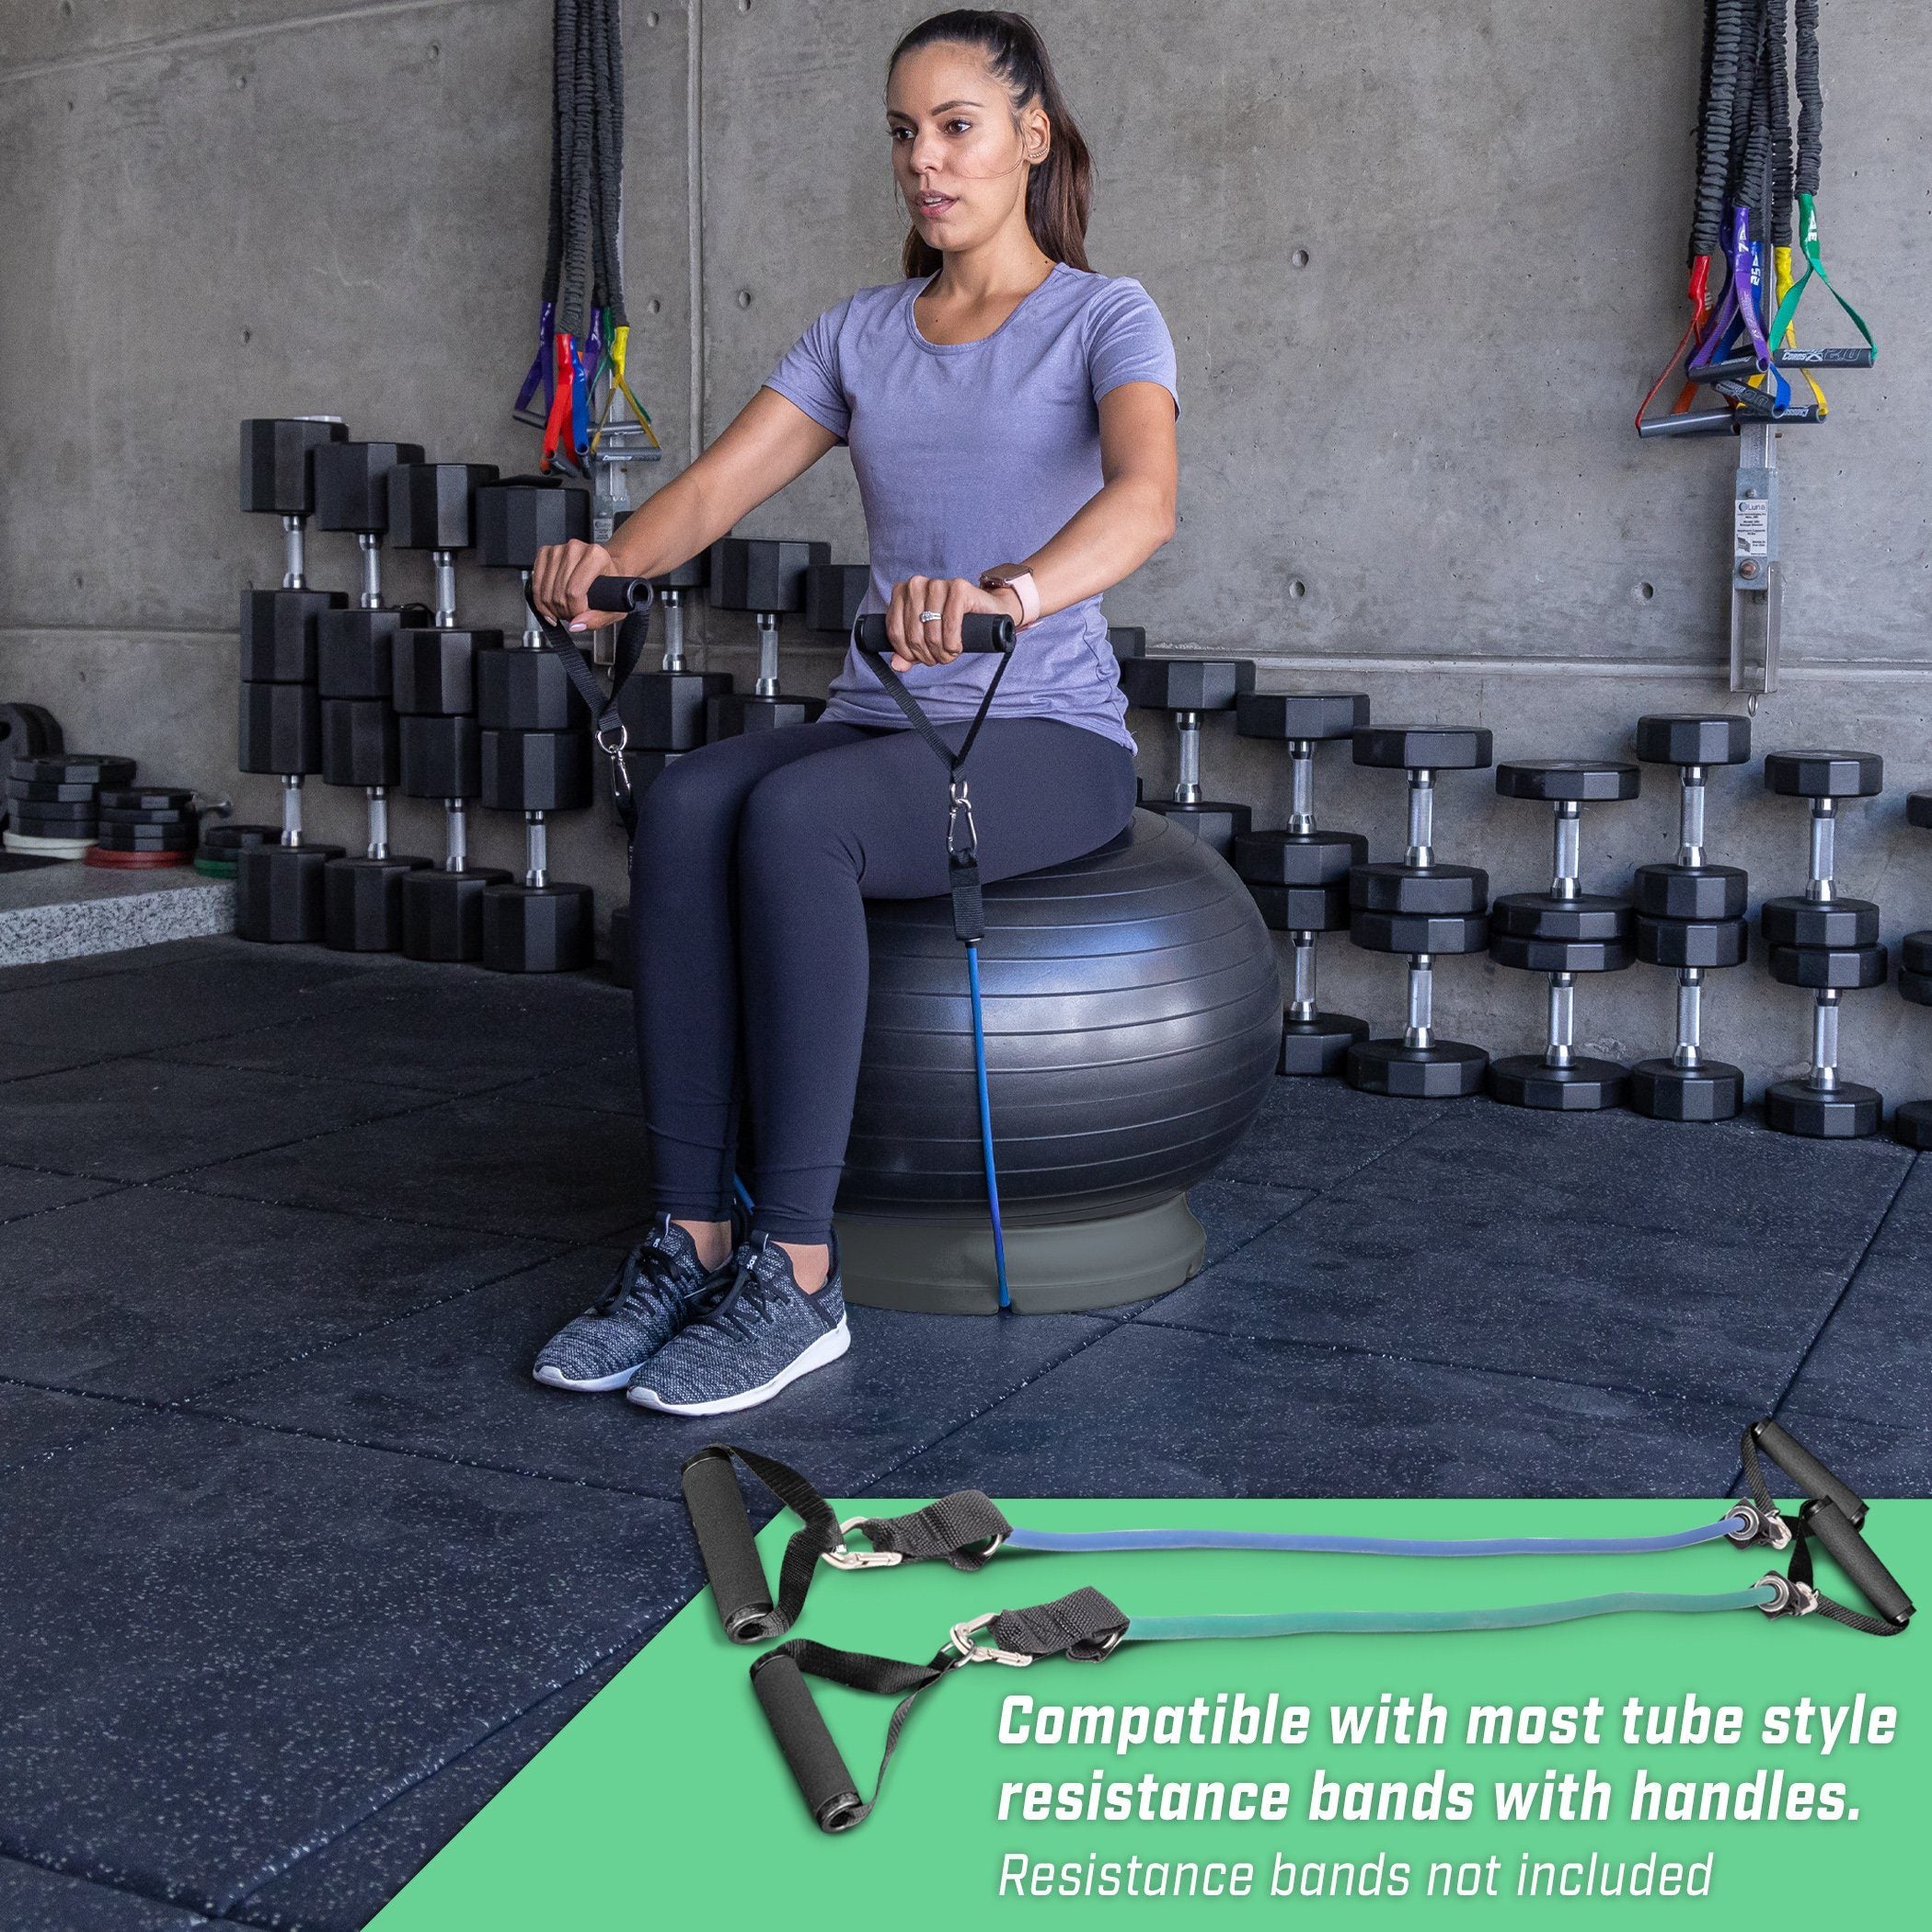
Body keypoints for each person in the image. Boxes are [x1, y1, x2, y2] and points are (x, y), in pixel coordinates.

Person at [528, 7, 1179, 1416]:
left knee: (800, 822)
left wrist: (1012, 592)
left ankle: (801, 1274)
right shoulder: (863, 334)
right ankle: (692, 1240)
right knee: (690, 804)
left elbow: (1146, 499)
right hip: (888, 722)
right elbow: (719, 484)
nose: (924, 159)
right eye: (903, 132)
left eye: (956, 126)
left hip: (1050, 738)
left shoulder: (1104, 317)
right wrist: (607, 570)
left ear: (1031, 137)